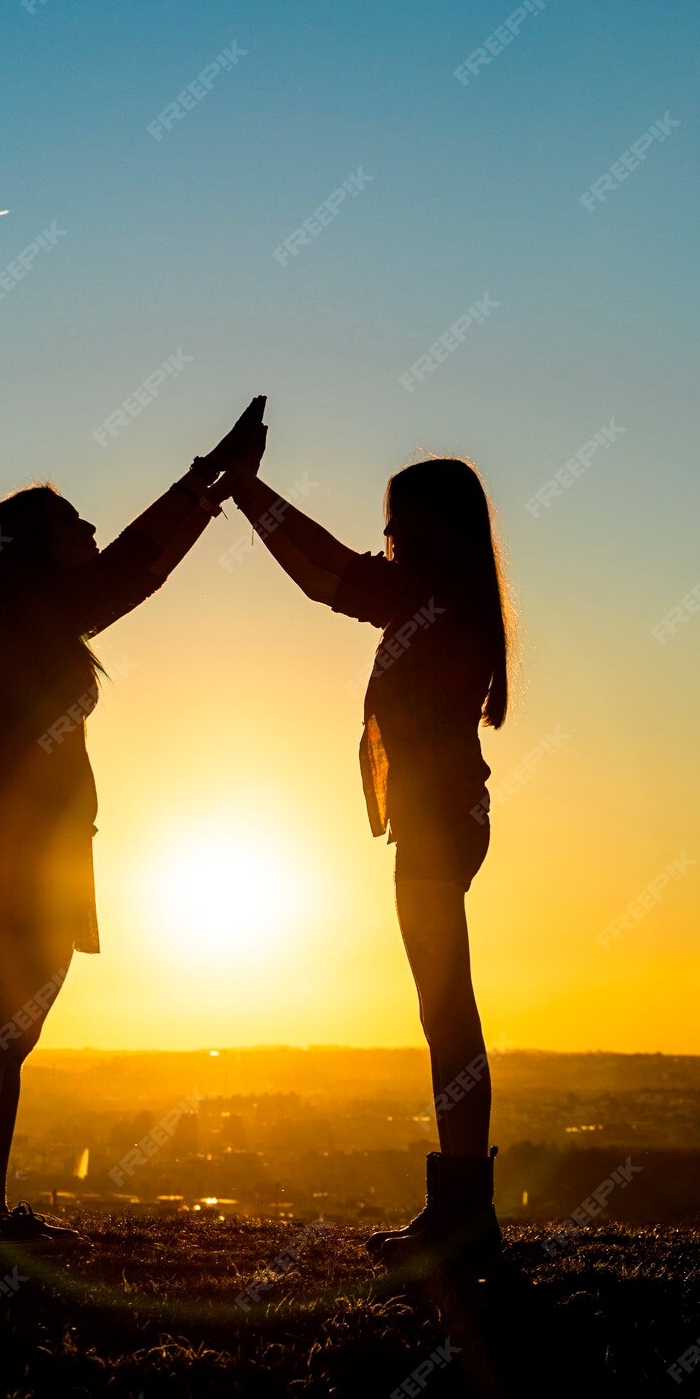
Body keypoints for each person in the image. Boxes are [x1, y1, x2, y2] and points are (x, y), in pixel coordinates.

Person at [0, 398, 268, 1254]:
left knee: (9, 1037)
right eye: (69, 521)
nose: (87, 526)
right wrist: (205, 483)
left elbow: (126, 568)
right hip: (26, 848)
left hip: (48, 847)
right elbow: (134, 568)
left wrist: (207, 486)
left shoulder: (33, 623)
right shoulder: (36, 620)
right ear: (34, 552)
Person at [212, 442, 513, 1274]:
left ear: (427, 531)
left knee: (447, 1015)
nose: (383, 539)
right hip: (446, 819)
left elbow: (322, 575)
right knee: (444, 1012)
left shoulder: (429, 600)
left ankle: (462, 1218)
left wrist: (244, 491)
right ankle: (459, 1211)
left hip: (437, 823)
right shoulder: (450, 598)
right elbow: (335, 570)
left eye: (395, 527)